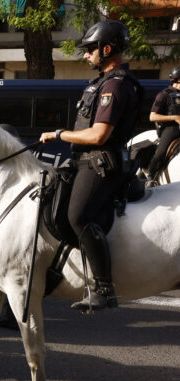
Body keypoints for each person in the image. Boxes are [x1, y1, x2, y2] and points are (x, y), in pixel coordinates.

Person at [40, 19, 141, 312]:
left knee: (79, 215)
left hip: (101, 164)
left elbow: (99, 135)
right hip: (85, 160)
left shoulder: (115, 85)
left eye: (89, 50)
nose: (85, 56)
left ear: (106, 49)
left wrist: (57, 134)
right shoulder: (103, 83)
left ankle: (104, 288)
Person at [145, 65, 180, 184]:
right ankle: (151, 177)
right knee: (160, 153)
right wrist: (175, 117)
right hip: (171, 129)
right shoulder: (165, 94)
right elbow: (152, 116)